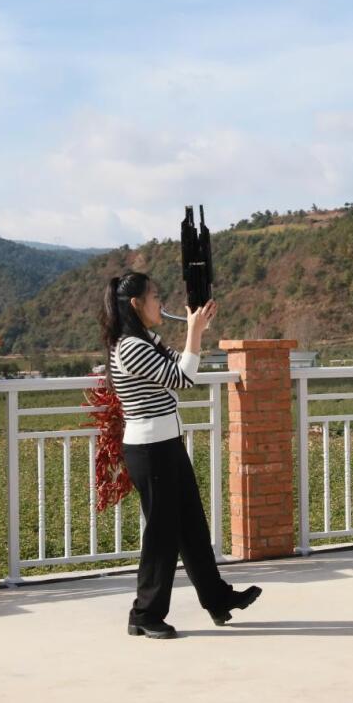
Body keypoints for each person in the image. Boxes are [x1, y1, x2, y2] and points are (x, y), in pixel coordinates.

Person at [102, 271, 261, 638]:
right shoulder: (129, 346)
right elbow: (182, 379)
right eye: (156, 297)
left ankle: (217, 598)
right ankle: (144, 614)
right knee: (162, 535)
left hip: (166, 444)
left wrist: (197, 329)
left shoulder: (148, 340)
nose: (161, 303)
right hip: (149, 448)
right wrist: (193, 332)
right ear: (136, 304)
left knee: (191, 524)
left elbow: (184, 364)